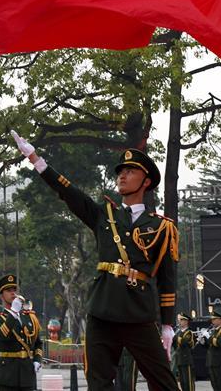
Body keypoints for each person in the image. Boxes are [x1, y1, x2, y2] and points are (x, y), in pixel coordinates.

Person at [11, 132, 180, 391]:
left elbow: (167, 279)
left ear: (146, 181)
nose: (122, 175)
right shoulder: (105, 214)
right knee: (98, 382)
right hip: (102, 309)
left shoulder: (162, 227)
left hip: (138, 312)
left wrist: (167, 324)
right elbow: (69, 192)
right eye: (120, 171)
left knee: (164, 382)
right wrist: (35, 159)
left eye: (130, 171)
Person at [0, 274, 42, 391]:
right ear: (2, 296)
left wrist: (37, 360)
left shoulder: (29, 317)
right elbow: (2, 336)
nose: (13, 293)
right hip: (7, 375)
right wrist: (13, 313)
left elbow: (38, 343)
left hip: (27, 374)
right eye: (9, 290)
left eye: (15, 290)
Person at [205, 312, 221, 391]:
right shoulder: (213, 331)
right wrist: (203, 340)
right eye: (212, 320)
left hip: (219, 361)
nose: (213, 322)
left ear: (220, 320)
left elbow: (219, 343)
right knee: (214, 384)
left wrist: (209, 337)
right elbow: (208, 346)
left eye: (214, 319)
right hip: (212, 360)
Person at [173, 313, 195, 391]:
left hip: (186, 360)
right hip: (180, 359)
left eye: (182, 320)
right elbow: (174, 344)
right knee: (182, 382)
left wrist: (176, 336)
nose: (180, 322)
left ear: (186, 321)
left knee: (188, 381)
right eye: (180, 320)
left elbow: (183, 343)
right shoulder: (179, 332)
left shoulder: (188, 332)